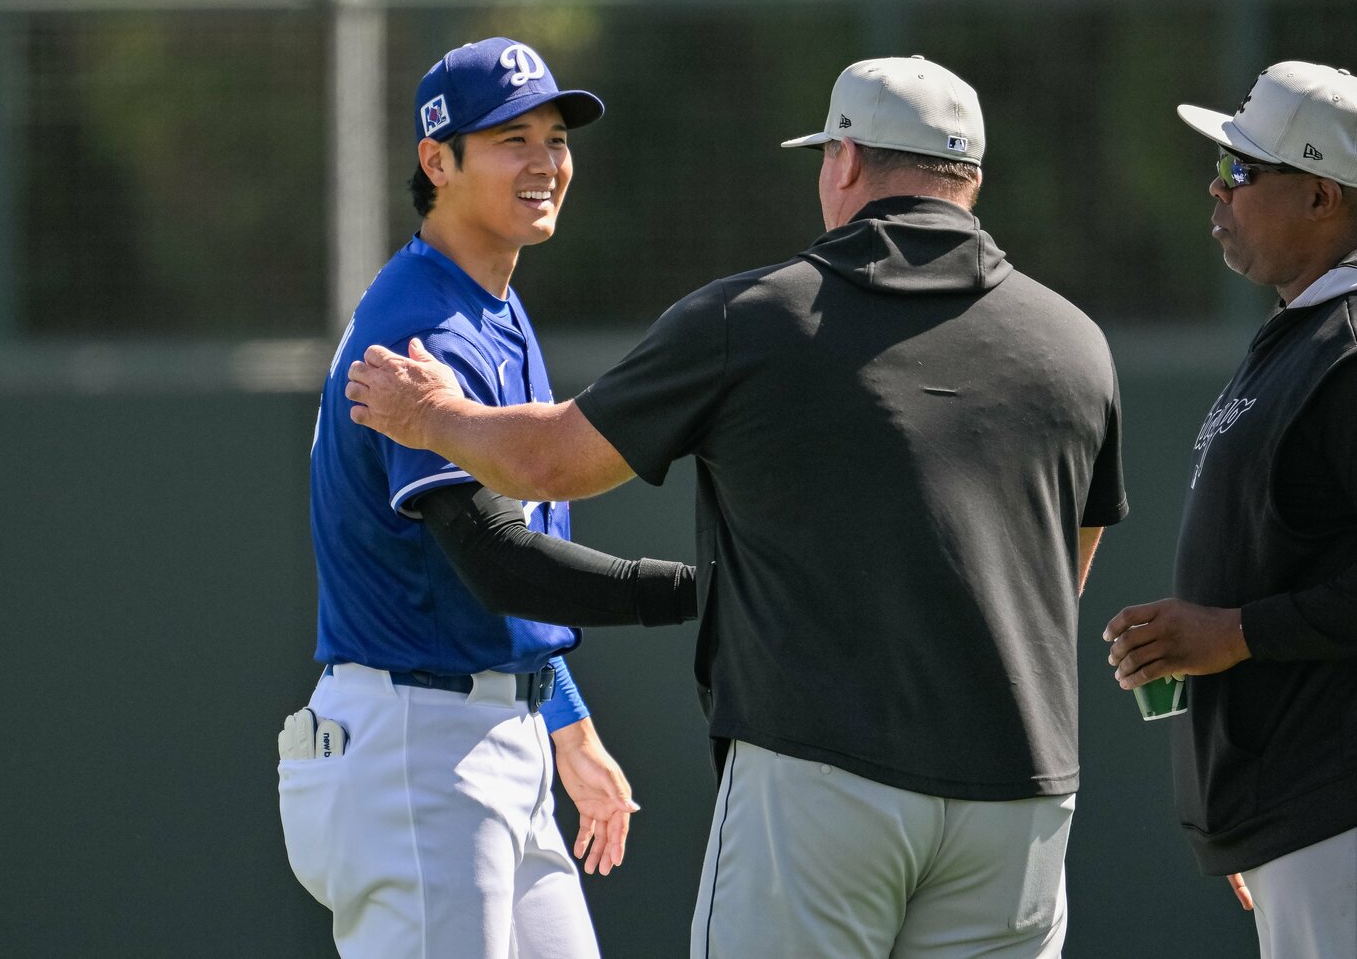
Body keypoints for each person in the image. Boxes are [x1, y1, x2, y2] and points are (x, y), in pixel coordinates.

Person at [345, 54, 1128, 959]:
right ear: (973, 180)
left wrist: (431, 412)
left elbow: (549, 463)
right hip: (1022, 796)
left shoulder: (752, 318)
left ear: (841, 162)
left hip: (820, 777)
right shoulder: (1078, 344)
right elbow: (1063, 570)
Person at [277, 38, 698, 959]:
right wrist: (703, 590)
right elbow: (496, 558)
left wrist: (564, 720)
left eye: (556, 136)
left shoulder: (488, 304)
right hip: (414, 748)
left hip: (481, 732)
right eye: (512, 138)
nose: (546, 162)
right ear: (438, 161)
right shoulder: (421, 328)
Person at [1103, 61, 1357, 958]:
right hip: (1323, 807)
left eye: (1240, 169)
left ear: (1319, 197)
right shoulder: (1323, 323)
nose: (1216, 186)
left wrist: (1237, 633)